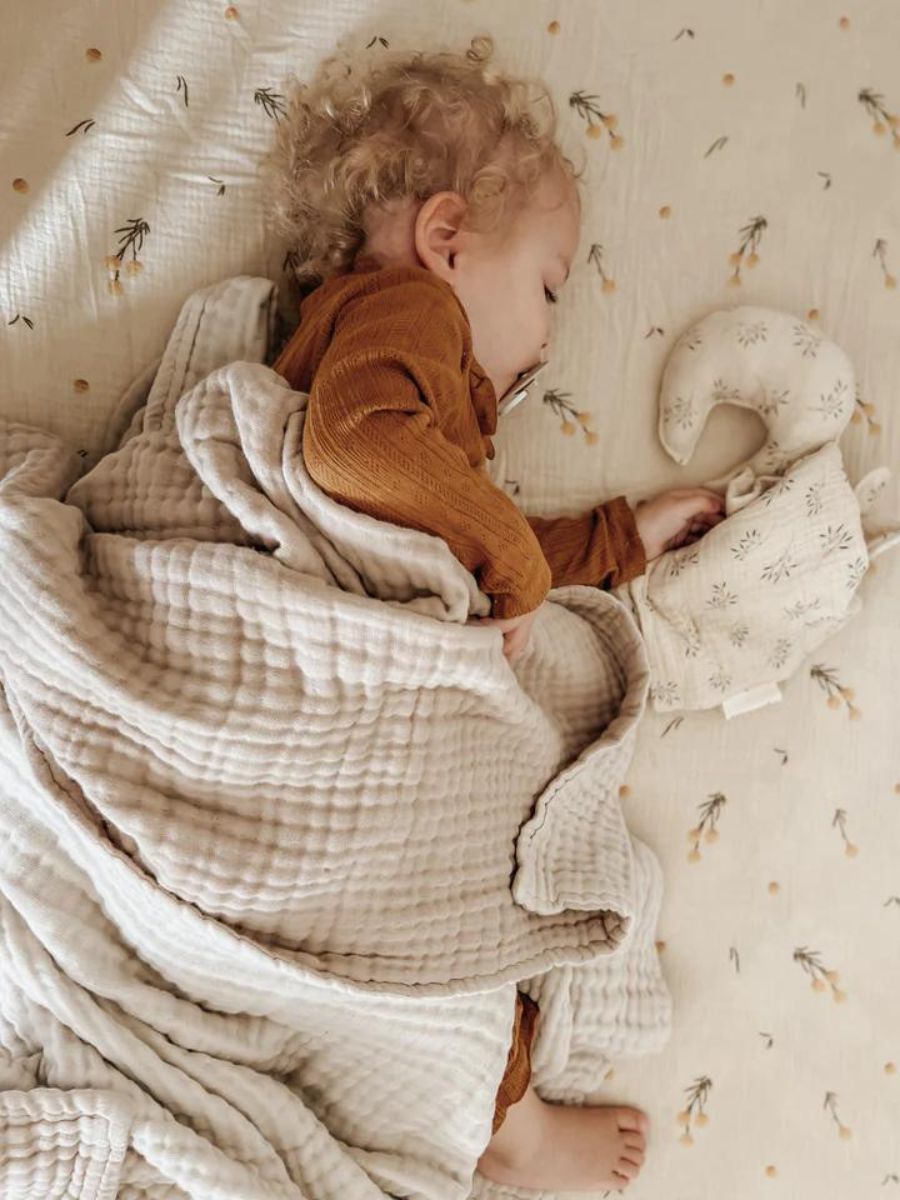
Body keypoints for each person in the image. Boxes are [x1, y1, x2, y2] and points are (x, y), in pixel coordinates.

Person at [264, 37, 724, 1193]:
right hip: (310, 667)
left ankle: (483, 1108)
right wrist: (522, 570)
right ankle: (504, 1124)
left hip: (356, 670)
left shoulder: (434, 412)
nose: (555, 336)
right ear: (446, 236)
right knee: (439, 891)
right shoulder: (404, 316)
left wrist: (618, 539)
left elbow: (479, 555)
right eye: (551, 285)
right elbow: (349, 450)